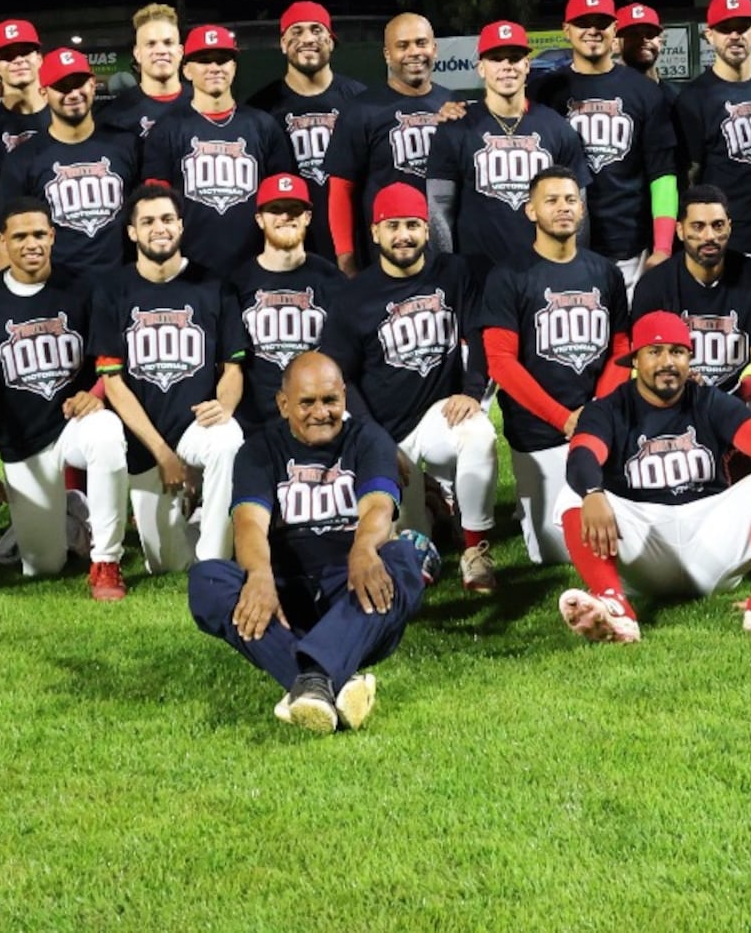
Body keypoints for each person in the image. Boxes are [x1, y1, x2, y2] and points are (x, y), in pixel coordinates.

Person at [553, 312, 751, 643]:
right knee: (574, 492)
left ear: (689, 358)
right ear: (636, 361)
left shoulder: (709, 400)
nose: (667, 362)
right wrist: (594, 492)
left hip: (710, 535)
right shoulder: (608, 408)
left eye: (677, 352)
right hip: (644, 544)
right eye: (655, 353)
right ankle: (611, 602)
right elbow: (582, 454)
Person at [187, 353, 427, 733]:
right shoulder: (258, 450)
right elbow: (249, 523)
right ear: (284, 405)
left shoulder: (370, 439)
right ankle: (328, 679)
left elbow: (378, 508)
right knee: (207, 580)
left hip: (353, 591)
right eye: (307, 402)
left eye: (330, 401)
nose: (321, 412)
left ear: (344, 399)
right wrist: (259, 576)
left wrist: (363, 550)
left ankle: (311, 680)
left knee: (402, 560)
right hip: (287, 598)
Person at [317, 184, 498, 591]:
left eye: (413, 225)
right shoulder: (354, 296)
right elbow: (338, 376)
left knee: (479, 433)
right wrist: (373, 439)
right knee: (407, 554)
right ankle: (432, 508)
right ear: (375, 232)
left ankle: (475, 549)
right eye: (393, 225)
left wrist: (471, 391)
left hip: (436, 418)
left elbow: (479, 331)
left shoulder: (454, 272)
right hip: (382, 432)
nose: (404, 235)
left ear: (426, 231)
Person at [0, 197, 134, 599]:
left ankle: (106, 562)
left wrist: (95, 394)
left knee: (108, 431)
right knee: (43, 565)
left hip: (74, 426)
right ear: (3, 241)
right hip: (22, 439)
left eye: (40, 234)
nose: (32, 244)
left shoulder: (83, 287)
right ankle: (73, 512)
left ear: (53, 236)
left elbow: (110, 357)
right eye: (20, 236)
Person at [477, 166, 632, 565]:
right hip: (539, 432)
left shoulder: (606, 272)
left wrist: (596, 412)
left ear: (582, 209)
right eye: (551, 200)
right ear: (530, 211)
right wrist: (564, 419)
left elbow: (620, 348)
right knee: (556, 554)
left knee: (622, 537)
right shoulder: (507, 276)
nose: (563, 208)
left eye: (570, 200)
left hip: (599, 424)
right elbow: (501, 363)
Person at [91, 183, 250, 567]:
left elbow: (233, 367)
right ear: (132, 232)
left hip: (195, 423)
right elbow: (113, 383)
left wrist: (223, 407)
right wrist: (163, 454)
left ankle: (214, 560)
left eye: (166, 219)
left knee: (228, 439)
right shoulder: (112, 289)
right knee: (167, 563)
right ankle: (187, 517)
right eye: (147, 221)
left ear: (180, 226)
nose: (158, 228)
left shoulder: (213, 285)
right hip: (145, 439)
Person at [534, 0, 678, 288]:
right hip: (560, 242)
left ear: (614, 29)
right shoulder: (543, 92)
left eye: (601, 23)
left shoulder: (645, 92)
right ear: (566, 30)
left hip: (628, 245)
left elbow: (662, 174)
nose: (593, 30)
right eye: (583, 23)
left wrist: (663, 246)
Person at [426, 21, 590, 279]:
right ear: (481, 67)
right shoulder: (456, 128)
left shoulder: (557, 128)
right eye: (496, 58)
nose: (506, 67)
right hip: (477, 275)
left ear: (526, 65)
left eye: (514, 58)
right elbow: (439, 207)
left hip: (542, 274)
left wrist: (571, 265)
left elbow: (578, 205)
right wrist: (447, 268)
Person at [628, 185, 751, 434]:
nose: (709, 236)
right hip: (676, 393)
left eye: (717, 225)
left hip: (742, 393)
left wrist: (732, 397)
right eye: (698, 226)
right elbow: (642, 362)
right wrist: (678, 387)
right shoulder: (654, 284)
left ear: (729, 227)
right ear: (680, 230)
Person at [141, 25, 299, 275]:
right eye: (204, 61)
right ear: (187, 70)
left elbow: (282, 204)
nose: (214, 67)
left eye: (223, 60)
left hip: (256, 267)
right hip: (190, 271)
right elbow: (156, 208)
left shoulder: (263, 126)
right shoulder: (167, 129)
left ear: (234, 67)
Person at [324, 11, 458, 270]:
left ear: (435, 48)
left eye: (421, 43)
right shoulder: (361, 109)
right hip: (385, 257)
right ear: (387, 55)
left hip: (446, 254)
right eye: (402, 45)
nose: (414, 52)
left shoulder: (453, 103)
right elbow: (341, 190)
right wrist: (346, 258)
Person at [0, 47, 140, 273]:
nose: (73, 94)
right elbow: (8, 239)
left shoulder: (126, 144)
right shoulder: (23, 158)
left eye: (79, 83)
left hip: (120, 285)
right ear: (44, 93)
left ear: (93, 85)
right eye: (62, 87)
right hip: (56, 291)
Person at [249, 0, 371, 260]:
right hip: (290, 242)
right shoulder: (261, 108)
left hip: (356, 239)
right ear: (282, 44)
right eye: (296, 31)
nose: (307, 38)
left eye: (316, 30)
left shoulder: (360, 100)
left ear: (331, 40)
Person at [230, 174, 347, 421]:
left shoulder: (333, 281)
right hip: (254, 421)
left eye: (294, 209)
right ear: (260, 219)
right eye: (276, 209)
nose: (285, 216)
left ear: (307, 217)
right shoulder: (237, 284)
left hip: (319, 415)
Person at [671, 0, 751, 257]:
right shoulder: (693, 99)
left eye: (742, 28)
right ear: (709, 35)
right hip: (724, 240)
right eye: (725, 29)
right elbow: (688, 179)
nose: (734, 35)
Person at [97, 2, 186, 139]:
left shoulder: (201, 105)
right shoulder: (114, 115)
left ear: (180, 51)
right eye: (151, 44)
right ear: (137, 54)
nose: (161, 51)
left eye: (168, 43)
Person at [0, 17, 53, 157]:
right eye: (7, 55)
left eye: (25, 52)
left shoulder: (63, 114)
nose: (18, 60)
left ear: (39, 59)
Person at [616, 1, 668, 84]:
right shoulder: (603, 93)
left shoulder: (675, 94)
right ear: (615, 43)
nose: (643, 40)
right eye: (633, 34)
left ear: (660, 42)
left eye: (650, 34)